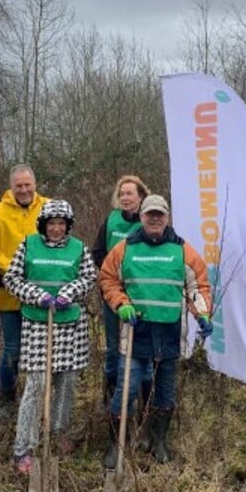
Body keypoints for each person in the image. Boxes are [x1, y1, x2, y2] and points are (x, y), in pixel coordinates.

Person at [99, 194, 213, 466]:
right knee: (126, 390)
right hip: (136, 331)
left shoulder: (183, 250)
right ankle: (117, 444)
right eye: (150, 214)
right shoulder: (125, 248)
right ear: (142, 217)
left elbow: (197, 287)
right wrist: (121, 303)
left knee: (165, 392)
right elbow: (108, 279)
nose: (154, 218)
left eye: (159, 214)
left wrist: (203, 313)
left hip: (171, 333)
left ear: (167, 218)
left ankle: (159, 441)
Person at [3, 200, 97, 475]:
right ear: (43, 224)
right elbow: (12, 278)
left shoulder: (78, 248)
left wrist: (70, 292)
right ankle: (24, 446)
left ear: (68, 225)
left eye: (61, 223)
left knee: (67, 382)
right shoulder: (29, 244)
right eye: (52, 223)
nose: (56, 228)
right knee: (37, 384)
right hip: (37, 322)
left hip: (70, 325)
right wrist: (38, 295)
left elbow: (89, 277)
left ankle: (58, 431)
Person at [0, 164, 48, 417]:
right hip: (9, 293)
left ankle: (40, 400)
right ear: (11, 187)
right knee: (13, 349)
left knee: (43, 349)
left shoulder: (48, 207)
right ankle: (7, 399)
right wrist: (15, 272)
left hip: (42, 294)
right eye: (18, 186)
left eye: (27, 185)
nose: (23, 190)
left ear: (35, 184)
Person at [90, 175, 150, 408]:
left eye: (130, 193)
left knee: (139, 347)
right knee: (113, 348)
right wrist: (114, 277)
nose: (125, 198)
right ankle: (112, 395)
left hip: (141, 295)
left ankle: (143, 400)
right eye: (122, 194)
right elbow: (98, 252)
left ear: (141, 196)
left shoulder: (149, 220)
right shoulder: (111, 220)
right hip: (112, 295)